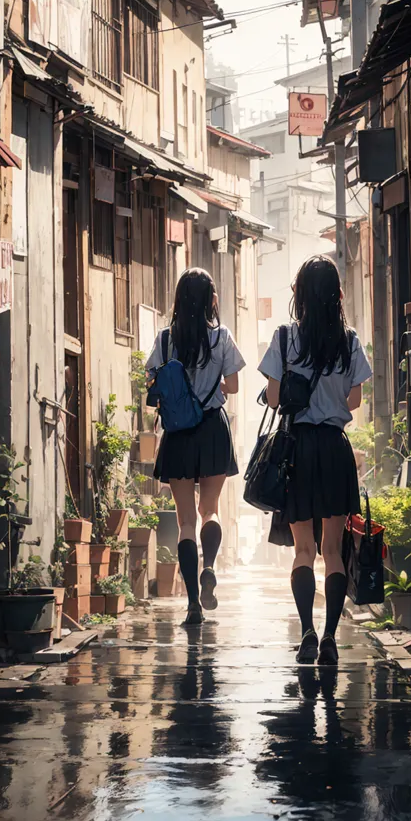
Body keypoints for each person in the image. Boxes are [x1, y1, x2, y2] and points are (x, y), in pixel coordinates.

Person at [259, 255, 372, 665]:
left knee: (303, 548)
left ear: (299, 294)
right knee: (335, 550)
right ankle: (329, 638)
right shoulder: (349, 340)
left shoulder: (286, 338)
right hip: (335, 450)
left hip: (298, 450)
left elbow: (273, 398)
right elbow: (355, 400)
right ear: (338, 295)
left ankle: (306, 631)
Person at [147, 268, 244, 626]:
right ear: (211, 300)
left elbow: (153, 383)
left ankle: (191, 605)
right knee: (211, 510)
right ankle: (209, 566)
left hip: (178, 433)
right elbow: (232, 386)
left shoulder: (164, 340)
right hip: (213, 429)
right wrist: (212, 380)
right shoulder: (221, 338)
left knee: (185, 521)